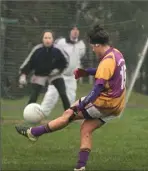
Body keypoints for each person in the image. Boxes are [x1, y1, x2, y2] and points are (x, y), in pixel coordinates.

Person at [15, 25, 127, 171]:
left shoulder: (106, 62)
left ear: (98, 45)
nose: (92, 50)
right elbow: (108, 73)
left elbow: (97, 89)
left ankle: (33, 133)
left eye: (93, 47)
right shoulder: (116, 53)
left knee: (68, 114)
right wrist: (86, 72)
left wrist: (80, 107)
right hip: (117, 105)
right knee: (86, 128)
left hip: (104, 103)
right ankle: (80, 167)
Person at [40, 25, 86, 117]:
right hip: (59, 75)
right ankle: (40, 114)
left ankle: (69, 116)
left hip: (72, 77)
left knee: (71, 97)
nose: (75, 31)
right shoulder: (61, 42)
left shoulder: (81, 45)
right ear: (69, 31)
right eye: (73, 29)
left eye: (77, 29)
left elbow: (79, 58)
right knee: (51, 95)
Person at [19, 30, 70, 111]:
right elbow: (29, 62)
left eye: (49, 38)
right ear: (42, 39)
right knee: (34, 95)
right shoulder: (37, 49)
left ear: (53, 39)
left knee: (63, 93)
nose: (47, 40)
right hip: (39, 75)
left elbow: (65, 62)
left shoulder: (57, 49)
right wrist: (23, 74)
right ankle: (28, 114)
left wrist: (58, 70)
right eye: (45, 38)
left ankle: (69, 114)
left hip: (55, 75)